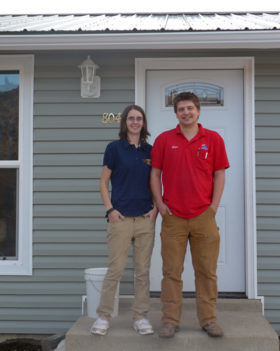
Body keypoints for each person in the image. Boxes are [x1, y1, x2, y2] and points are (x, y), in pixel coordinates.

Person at [150, 92, 229, 338]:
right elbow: (155, 174)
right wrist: (161, 205)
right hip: (173, 217)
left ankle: (208, 320)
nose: (186, 112)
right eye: (181, 109)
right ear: (176, 113)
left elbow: (219, 174)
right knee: (171, 272)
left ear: (198, 110)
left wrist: (213, 207)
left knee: (206, 271)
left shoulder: (213, 139)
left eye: (190, 108)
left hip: (204, 217)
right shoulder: (164, 140)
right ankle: (170, 320)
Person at [90, 105, 158, 336]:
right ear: (124, 123)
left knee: (142, 271)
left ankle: (140, 317)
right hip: (120, 219)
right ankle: (103, 316)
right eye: (131, 118)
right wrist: (110, 210)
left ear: (144, 123)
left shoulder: (151, 150)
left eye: (139, 118)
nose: (135, 122)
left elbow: (157, 182)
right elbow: (103, 182)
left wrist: (156, 208)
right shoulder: (114, 149)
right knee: (115, 270)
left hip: (144, 219)